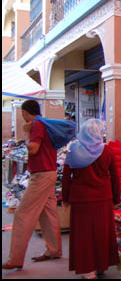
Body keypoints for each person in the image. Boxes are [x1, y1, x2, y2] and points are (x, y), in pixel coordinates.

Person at [2, 100, 62, 270]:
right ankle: (54, 249)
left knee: (22, 214)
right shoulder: (46, 124)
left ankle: (15, 258)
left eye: (23, 114)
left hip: (41, 175)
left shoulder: (35, 125)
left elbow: (34, 148)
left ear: (26, 113)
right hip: (49, 172)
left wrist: (27, 134)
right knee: (48, 213)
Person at [62, 119, 121, 279]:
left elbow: (67, 176)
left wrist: (65, 198)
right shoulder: (107, 151)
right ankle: (100, 265)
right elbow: (114, 176)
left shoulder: (74, 150)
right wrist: (116, 198)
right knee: (101, 233)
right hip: (103, 198)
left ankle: (88, 270)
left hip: (81, 200)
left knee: (84, 235)